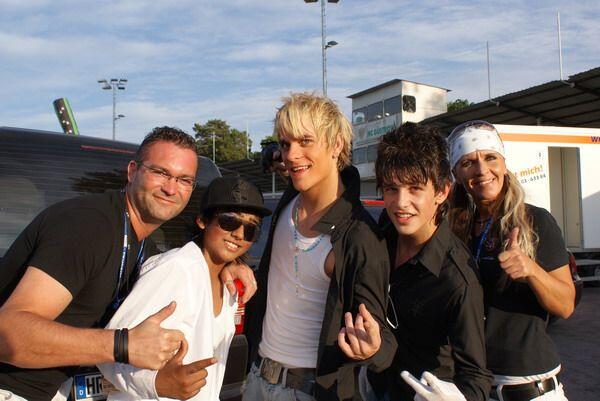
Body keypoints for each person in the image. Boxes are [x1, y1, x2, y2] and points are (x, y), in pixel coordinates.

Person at [0, 127, 257, 401]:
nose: (171, 188)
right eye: (161, 173)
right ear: (132, 171)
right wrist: (123, 345)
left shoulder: (141, 243)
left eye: (184, 180)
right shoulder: (88, 225)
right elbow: (7, 334)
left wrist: (226, 262)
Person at [243, 92, 396, 401]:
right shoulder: (290, 200)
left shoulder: (360, 236)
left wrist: (373, 348)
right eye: (286, 144)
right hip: (257, 378)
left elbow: (382, 339)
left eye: (305, 141)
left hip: (309, 390)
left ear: (336, 144)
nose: (292, 155)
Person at [98, 177, 271, 401]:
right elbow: (109, 351)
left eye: (250, 229)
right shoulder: (176, 270)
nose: (239, 234)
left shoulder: (229, 284)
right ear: (202, 221)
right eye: (228, 221)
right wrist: (156, 383)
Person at [355, 123, 492, 401]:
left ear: (442, 191)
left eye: (415, 188)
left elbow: (477, 377)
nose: (401, 203)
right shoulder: (382, 236)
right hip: (376, 385)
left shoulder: (457, 278)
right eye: (391, 189)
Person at [447, 120, 575, 401]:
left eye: (490, 158)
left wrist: (531, 270)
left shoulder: (535, 221)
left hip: (528, 389)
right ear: (456, 173)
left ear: (504, 164)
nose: (482, 170)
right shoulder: (454, 229)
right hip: (472, 385)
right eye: (468, 162)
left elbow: (565, 305)